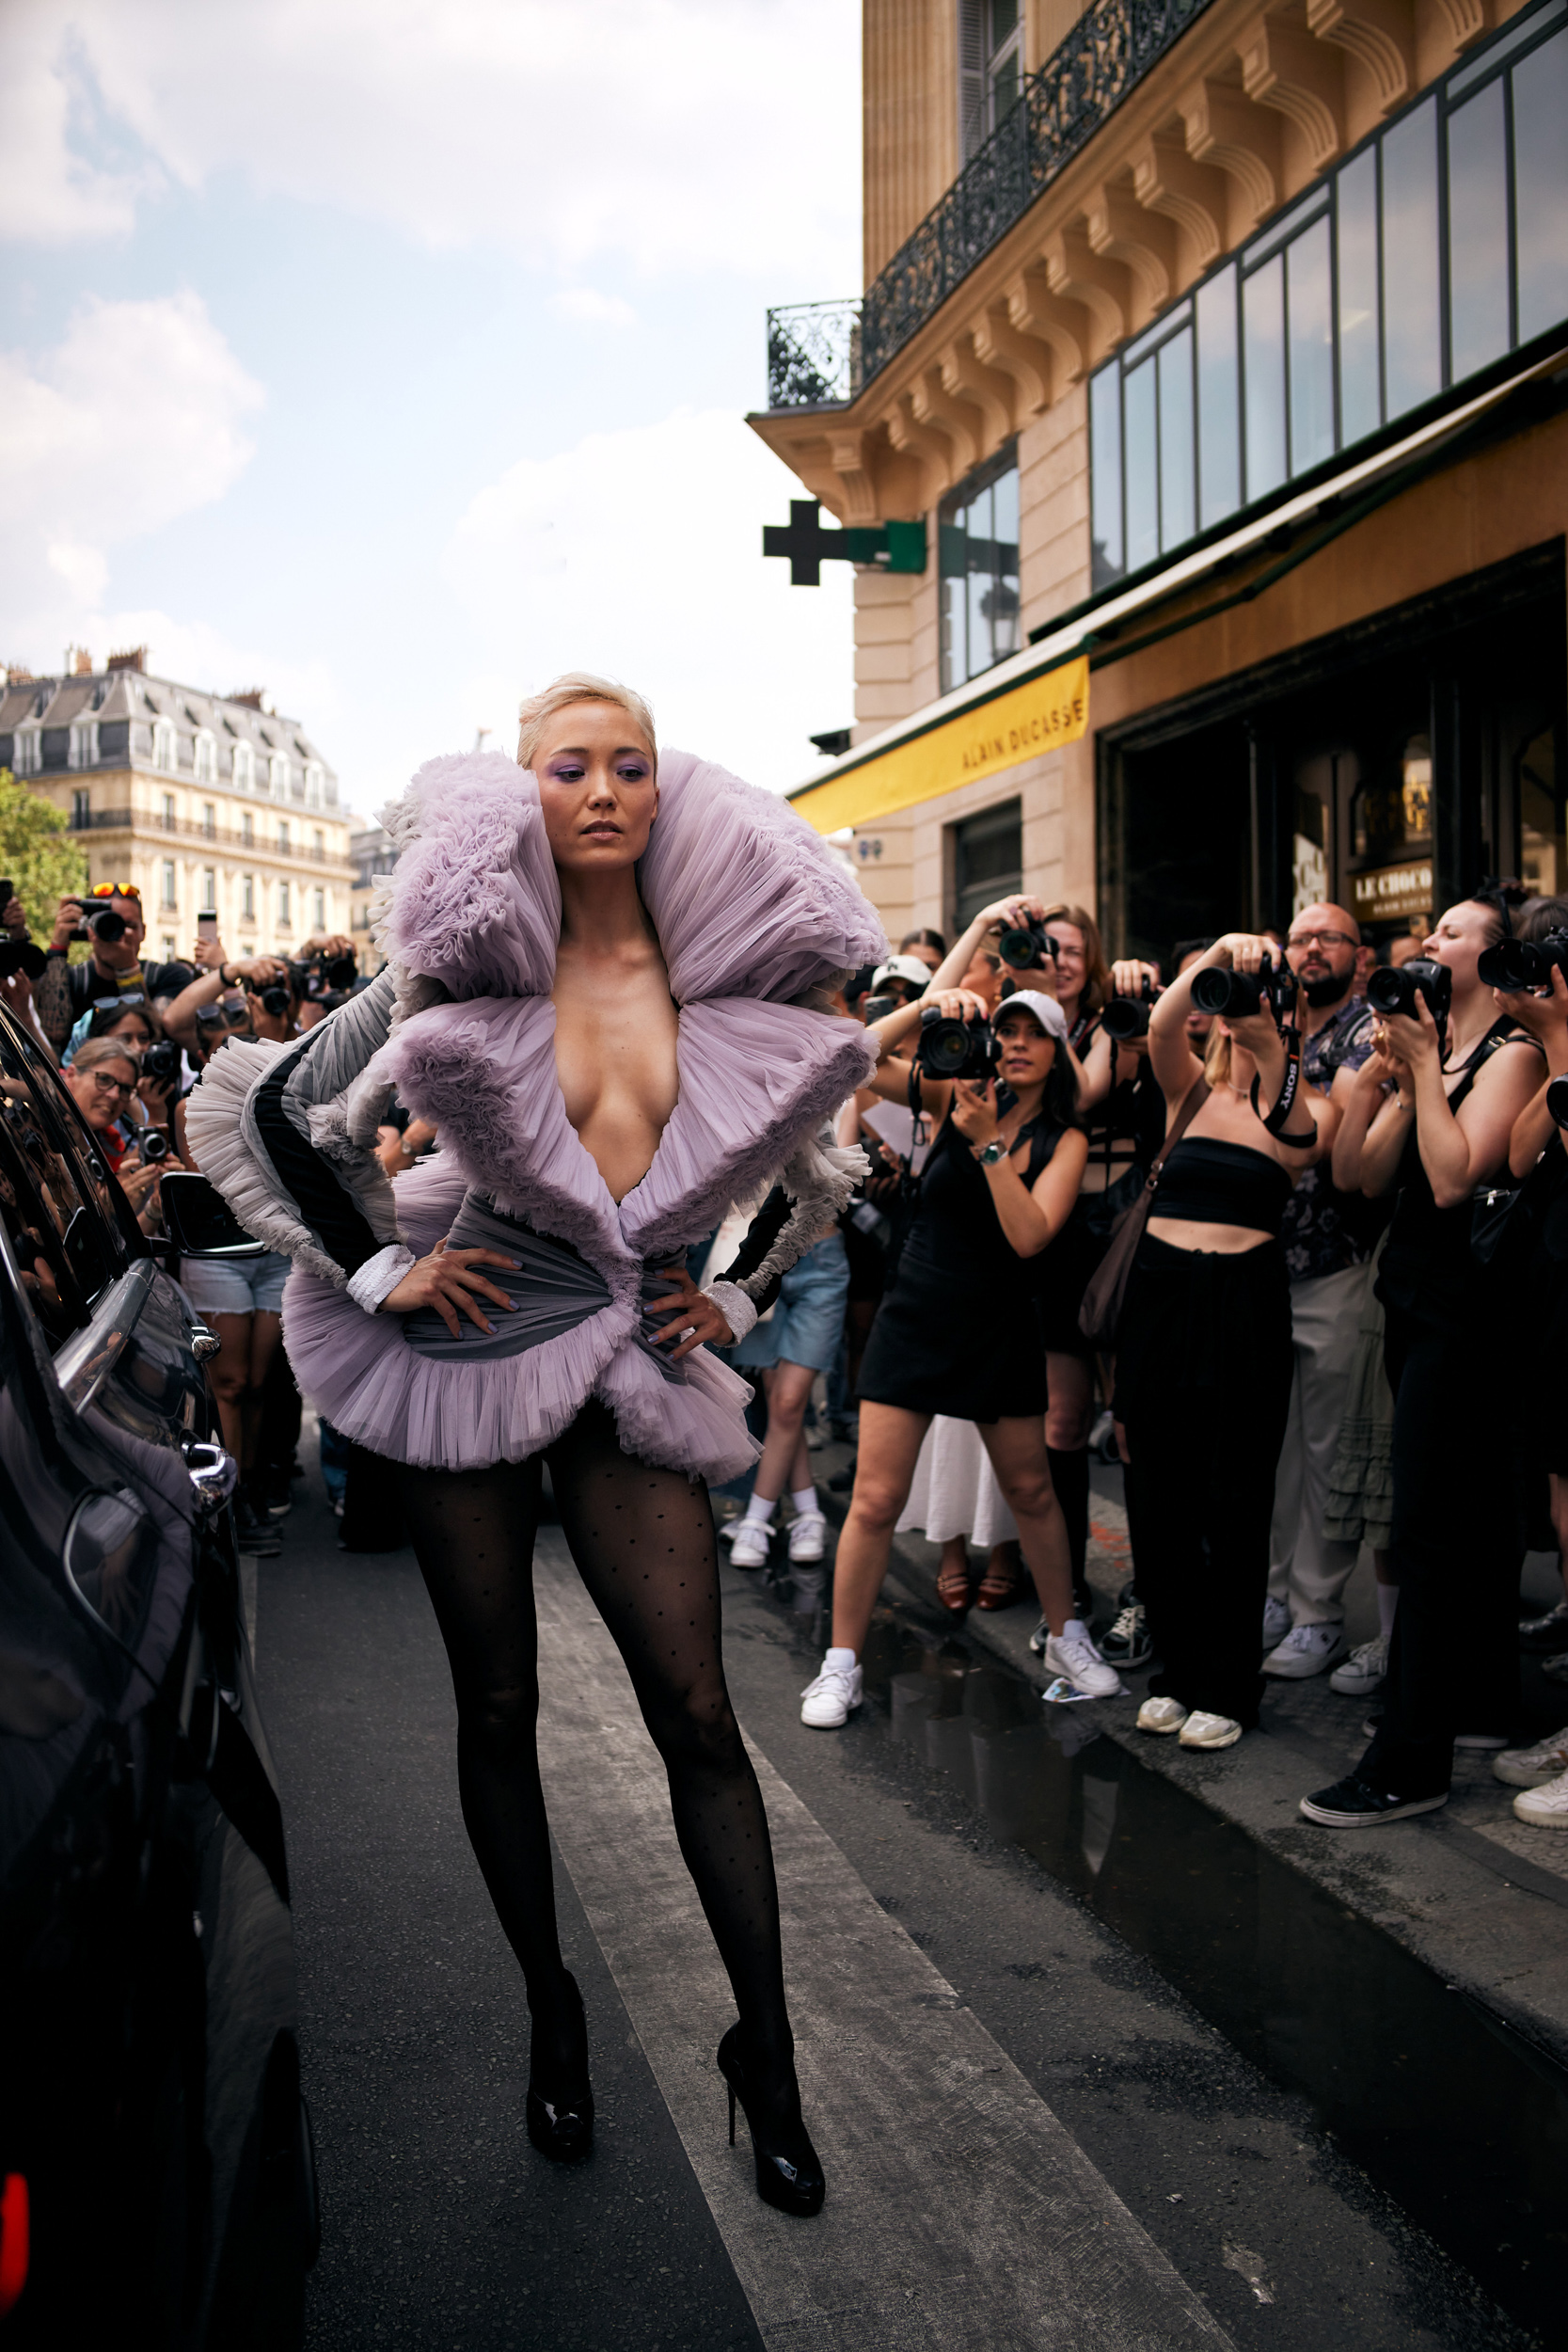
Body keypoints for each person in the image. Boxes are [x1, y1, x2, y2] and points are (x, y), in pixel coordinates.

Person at [187, 672, 884, 2215]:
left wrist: (732, 1287)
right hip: (467, 1353)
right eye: (563, 767)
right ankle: (550, 2008)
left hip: (627, 1352)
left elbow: (813, 1166)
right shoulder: (452, 973)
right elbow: (284, 1114)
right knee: (496, 1699)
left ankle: (762, 2055)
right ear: (521, 794)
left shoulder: (716, 973)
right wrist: (379, 1269)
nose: (598, 791)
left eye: (626, 763)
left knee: (697, 1711)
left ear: (662, 785)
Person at [800, 987, 1116, 1729]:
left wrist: (987, 1145)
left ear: (1057, 1047)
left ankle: (1067, 1636)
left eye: (1031, 1033)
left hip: (998, 1323)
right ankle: (839, 1664)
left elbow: (1031, 1236)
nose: (1013, 1045)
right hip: (915, 1314)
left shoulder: (1065, 1136)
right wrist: (928, 1007)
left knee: (1031, 1492)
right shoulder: (954, 1090)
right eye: (1003, 1032)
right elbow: (854, 1060)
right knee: (874, 1500)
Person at [1303, 895, 1543, 1827]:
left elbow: (1452, 1178)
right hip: (1412, 1305)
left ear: (1489, 959)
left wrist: (1425, 1078)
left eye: (1447, 933)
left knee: (1432, 1528)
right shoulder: (1430, 1054)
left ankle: (1409, 1760)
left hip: (1469, 1318)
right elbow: (1360, 1176)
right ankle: (1480, 1707)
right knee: (1465, 1520)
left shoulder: (1511, 1056)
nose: (1425, 943)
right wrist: (1380, 1075)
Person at [1120, 935, 1331, 1751]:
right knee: (1158, 1495)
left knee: (1235, 1498)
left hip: (1243, 1302)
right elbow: (1165, 1025)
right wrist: (1213, 958)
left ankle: (1228, 1686)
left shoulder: (1296, 1103)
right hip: (1161, 1292)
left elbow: (1298, 1140)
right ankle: (1174, 1671)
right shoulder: (1184, 1095)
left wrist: (1266, 1036)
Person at [1261, 904, 1381, 1679]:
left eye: (1327, 938)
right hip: (1260, 1265)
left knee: (1327, 1448)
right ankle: (1271, 1594)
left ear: (1358, 957)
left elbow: (1321, 1143)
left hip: (1335, 1263)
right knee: (1273, 1449)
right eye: (1300, 937)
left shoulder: (1366, 1033)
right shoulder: (1272, 1025)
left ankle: (1317, 1612)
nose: (1311, 949)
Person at [724, 1202, 850, 1607]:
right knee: (782, 1404)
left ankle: (757, 1521)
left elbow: (836, 1178)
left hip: (821, 1260)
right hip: (762, 1254)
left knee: (791, 1400)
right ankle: (809, 1513)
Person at [35, 883, 194, 1055]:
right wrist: (58, 946)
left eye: (129, 925)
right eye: (109, 924)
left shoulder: (170, 975)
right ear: (89, 929)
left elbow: (157, 1037)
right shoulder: (74, 979)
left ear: (143, 931)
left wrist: (128, 968)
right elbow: (52, 1035)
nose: (120, 933)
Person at [60, 1037, 164, 1232]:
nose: (114, 1095)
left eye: (125, 1089)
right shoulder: (43, 1127)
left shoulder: (110, 1143)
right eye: (104, 1080)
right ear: (71, 1075)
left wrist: (154, 1208)